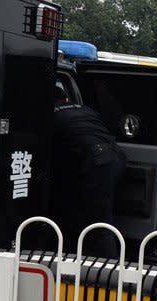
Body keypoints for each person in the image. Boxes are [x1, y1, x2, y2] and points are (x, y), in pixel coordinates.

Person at [51, 86, 127, 258]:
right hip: (116, 157)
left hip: (98, 162)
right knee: (89, 209)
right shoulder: (86, 110)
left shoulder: (52, 115)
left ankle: (107, 270)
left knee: (98, 221)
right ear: (67, 99)